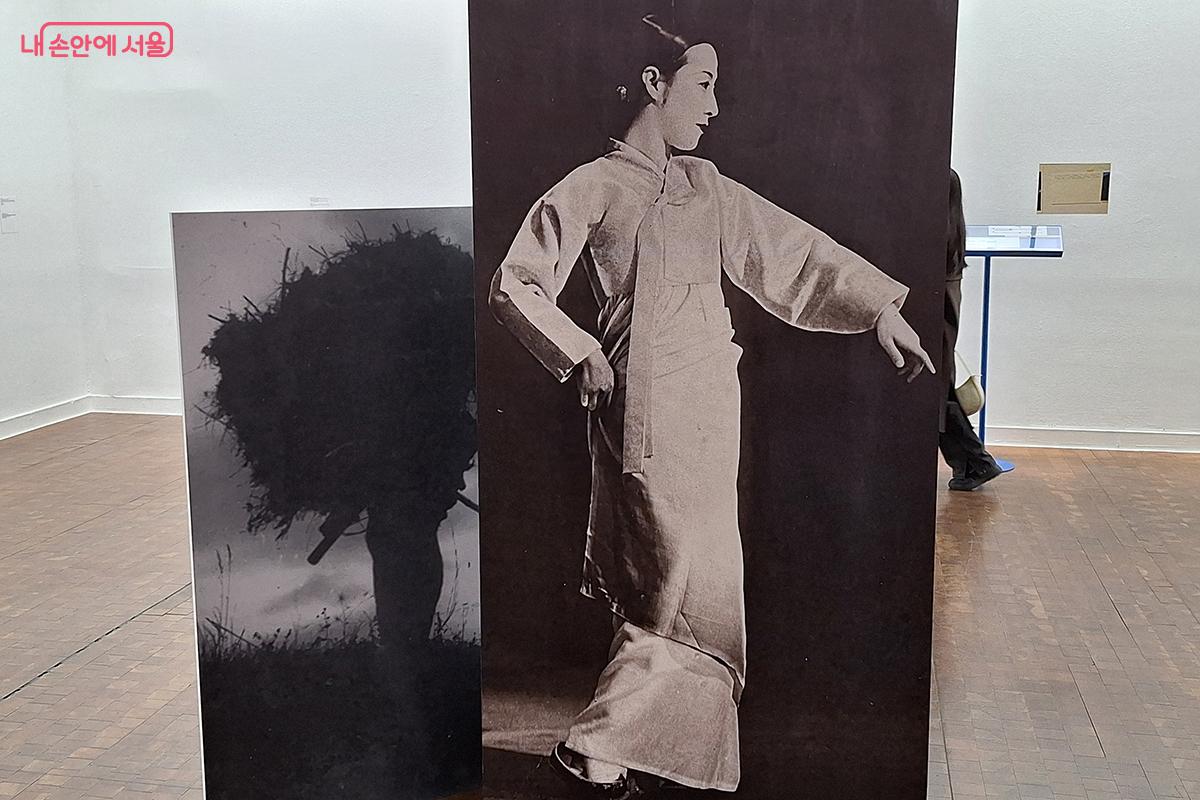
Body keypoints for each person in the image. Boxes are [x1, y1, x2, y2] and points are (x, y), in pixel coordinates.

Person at [489, 15, 934, 797]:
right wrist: (581, 350)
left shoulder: (708, 188)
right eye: (702, 85)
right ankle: (596, 748)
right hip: (643, 415)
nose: (715, 106)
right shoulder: (595, 184)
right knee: (679, 584)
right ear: (654, 84)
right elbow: (516, 282)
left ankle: (617, 757)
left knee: (697, 588)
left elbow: (794, 253)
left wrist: (878, 310)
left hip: (710, 414)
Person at [940, 169, 1003, 491]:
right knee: (939, 391)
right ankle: (972, 463)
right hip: (944, 304)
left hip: (938, 308)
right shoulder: (951, 230)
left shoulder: (938, 232)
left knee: (937, 394)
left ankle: (977, 462)